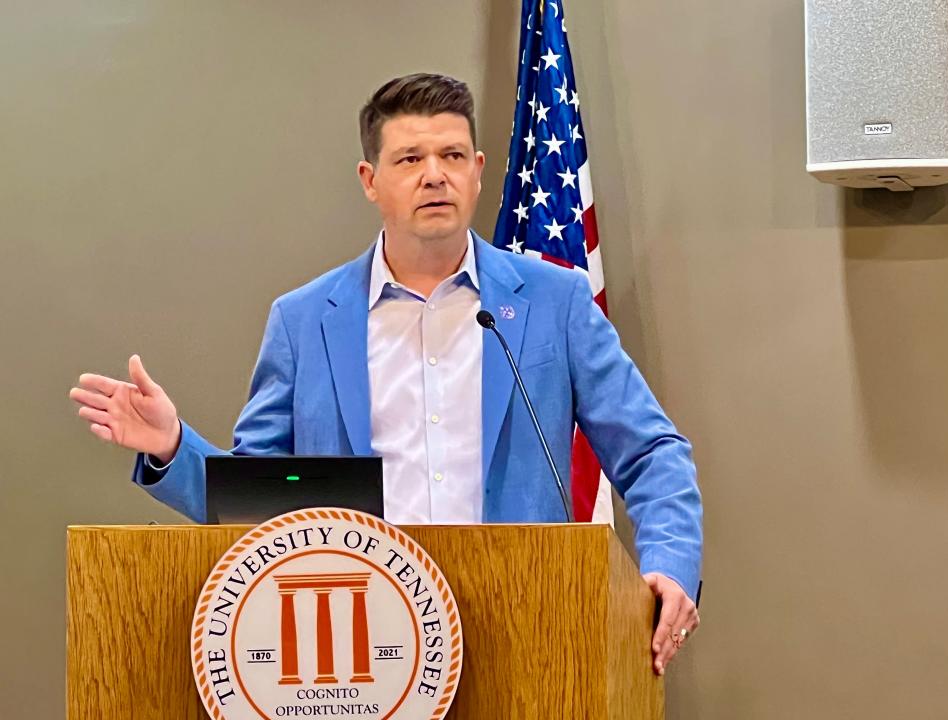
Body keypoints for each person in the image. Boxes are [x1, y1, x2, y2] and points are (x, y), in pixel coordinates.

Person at [69, 73, 702, 674]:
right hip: (355, 645)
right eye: (410, 160)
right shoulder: (304, 320)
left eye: (453, 156)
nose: (435, 176)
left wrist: (671, 566)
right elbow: (260, 501)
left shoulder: (553, 302)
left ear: (479, 173)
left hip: (526, 626)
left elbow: (652, 450)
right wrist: (172, 446)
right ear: (370, 180)